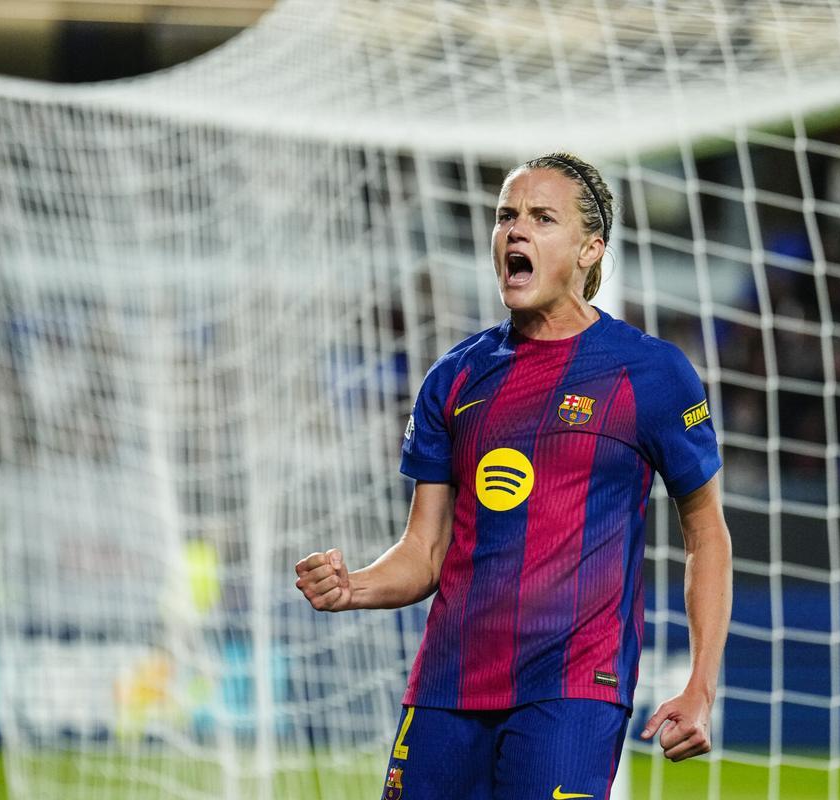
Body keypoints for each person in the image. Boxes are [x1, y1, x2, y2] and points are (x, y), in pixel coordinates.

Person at [296, 152, 732, 800]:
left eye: (541, 218)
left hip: (573, 689)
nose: (515, 232)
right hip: (448, 686)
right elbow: (425, 551)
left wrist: (701, 684)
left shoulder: (652, 375)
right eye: (506, 216)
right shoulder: (455, 377)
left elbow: (706, 535)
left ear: (590, 248)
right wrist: (352, 587)